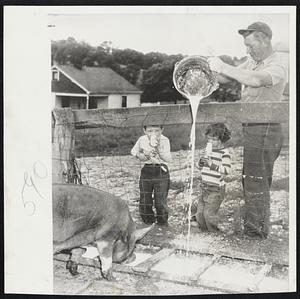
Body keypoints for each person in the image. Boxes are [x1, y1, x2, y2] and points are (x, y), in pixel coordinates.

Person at [207, 22, 287, 238]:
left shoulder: (277, 66)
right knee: (250, 178)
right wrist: (209, 68)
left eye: (250, 45)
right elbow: (226, 78)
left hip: (266, 129)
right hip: (253, 128)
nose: (247, 50)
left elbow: (254, 80)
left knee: (256, 180)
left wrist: (223, 65)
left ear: (264, 39)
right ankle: (255, 228)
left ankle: (256, 234)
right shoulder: (253, 61)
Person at [131, 123, 172, 225]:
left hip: (161, 170)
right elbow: (134, 151)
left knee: (160, 201)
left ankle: (162, 223)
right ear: (144, 131)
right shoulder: (142, 139)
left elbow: (168, 159)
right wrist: (142, 155)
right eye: (150, 131)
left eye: (157, 130)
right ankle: (148, 222)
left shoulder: (165, 140)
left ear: (162, 129)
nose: (153, 133)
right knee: (145, 199)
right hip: (147, 170)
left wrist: (159, 150)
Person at [195, 123, 231, 232]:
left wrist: (211, 164)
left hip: (216, 188)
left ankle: (214, 233)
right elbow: (200, 168)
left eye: (214, 140)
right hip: (204, 186)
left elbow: (226, 170)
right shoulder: (207, 152)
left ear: (222, 139)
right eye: (208, 140)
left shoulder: (224, 153)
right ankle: (205, 232)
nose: (210, 142)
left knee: (209, 214)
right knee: (200, 214)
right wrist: (200, 162)